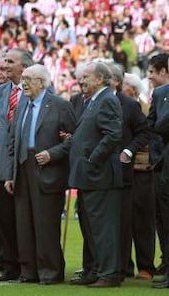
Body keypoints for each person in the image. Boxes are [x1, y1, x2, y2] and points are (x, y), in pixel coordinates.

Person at [4, 64, 76, 284]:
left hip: (48, 171)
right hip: (23, 169)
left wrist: (52, 154)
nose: (24, 82)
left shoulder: (60, 105)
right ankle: (28, 271)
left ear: (42, 82)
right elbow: (12, 141)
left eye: (29, 79)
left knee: (45, 224)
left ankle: (50, 272)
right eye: (23, 78)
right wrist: (10, 174)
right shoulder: (22, 105)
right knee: (23, 224)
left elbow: (74, 140)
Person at [68, 62, 123, 287]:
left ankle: (108, 274)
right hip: (89, 176)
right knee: (90, 228)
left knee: (102, 229)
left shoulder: (107, 99)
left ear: (100, 79)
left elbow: (113, 135)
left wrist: (92, 159)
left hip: (99, 176)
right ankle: (94, 270)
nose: (81, 81)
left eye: (86, 77)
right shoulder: (93, 101)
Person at [0, 48, 33, 281]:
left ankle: (29, 265)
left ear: (24, 67)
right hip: (3, 165)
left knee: (25, 220)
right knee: (4, 219)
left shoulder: (37, 90)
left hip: (27, 166)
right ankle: (10, 266)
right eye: (4, 61)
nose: (4, 65)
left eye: (10, 61)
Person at [106, 63, 150, 281]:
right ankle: (101, 266)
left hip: (130, 172)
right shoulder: (87, 103)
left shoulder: (132, 106)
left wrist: (129, 150)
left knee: (127, 222)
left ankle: (124, 268)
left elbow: (145, 132)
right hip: (99, 172)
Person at [122, 72, 156, 279]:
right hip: (125, 170)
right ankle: (125, 265)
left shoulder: (143, 109)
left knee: (143, 220)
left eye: (123, 85)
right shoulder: (120, 106)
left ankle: (145, 266)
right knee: (123, 221)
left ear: (131, 90)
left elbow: (147, 137)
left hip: (142, 170)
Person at [147, 56, 169, 289]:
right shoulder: (160, 94)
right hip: (161, 166)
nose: (149, 76)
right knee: (161, 219)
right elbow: (151, 126)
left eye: (153, 71)